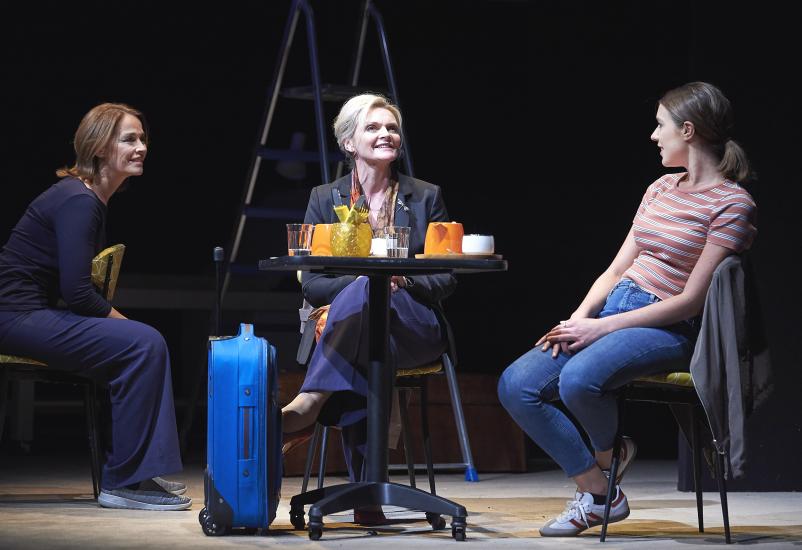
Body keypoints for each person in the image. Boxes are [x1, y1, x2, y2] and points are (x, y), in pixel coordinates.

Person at [497, 81, 757, 537]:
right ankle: (600, 490)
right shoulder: (659, 188)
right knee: (516, 384)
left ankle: (602, 473)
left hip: (669, 326)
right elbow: (616, 270)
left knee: (580, 380)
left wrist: (602, 329)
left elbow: (690, 300)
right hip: (617, 310)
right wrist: (578, 319)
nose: (654, 136)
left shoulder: (732, 204)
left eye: (661, 126)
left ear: (689, 131)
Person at [0, 103, 190, 511]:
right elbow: (79, 293)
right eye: (129, 139)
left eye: (143, 139)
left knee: (140, 343)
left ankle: (135, 472)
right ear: (100, 147)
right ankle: (125, 481)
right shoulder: (79, 200)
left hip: (27, 314)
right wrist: (128, 326)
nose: (141, 147)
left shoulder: (88, 198)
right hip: (14, 316)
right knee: (143, 343)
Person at [281, 93, 456, 525]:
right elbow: (313, 282)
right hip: (355, 327)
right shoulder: (325, 198)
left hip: (413, 324)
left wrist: (401, 280)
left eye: (391, 127)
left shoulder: (425, 196)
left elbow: (446, 276)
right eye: (373, 128)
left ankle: (311, 399)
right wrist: (365, 285)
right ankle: (367, 500)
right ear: (348, 141)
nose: (386, 135)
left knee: (367, 302)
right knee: (363, 311)